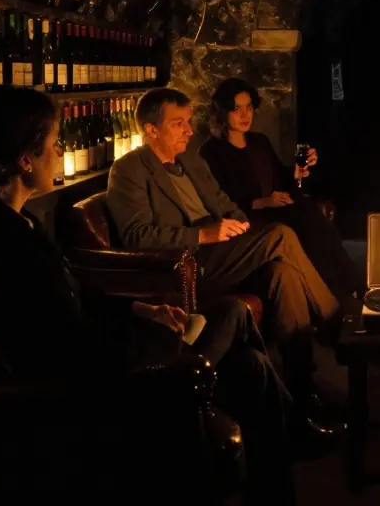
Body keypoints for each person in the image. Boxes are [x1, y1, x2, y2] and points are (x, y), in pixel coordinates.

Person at [0, 86, 338, 504]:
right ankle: (288, 435)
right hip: (100, 392)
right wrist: (155, 336)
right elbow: (74, 346)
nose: (59, 152)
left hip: (96, 362)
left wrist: (138, 307)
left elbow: (71, 300)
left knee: (246, 346)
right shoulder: (4, 243)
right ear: (25, 158)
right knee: (238, 325)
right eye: (54, 143)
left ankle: (288, 430)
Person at [106, 87, 341, 412]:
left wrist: (238, 226)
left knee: (283, 274)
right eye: (178, 123)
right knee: (281, 235)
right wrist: (203, 234)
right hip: (190, 262)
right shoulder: (129, 170)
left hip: (224, 250)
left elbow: (226, 204)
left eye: (189, 122)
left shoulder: (191, 159)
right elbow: (137, 235)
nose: (189, 130)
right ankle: (338, 326)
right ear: (151, 129)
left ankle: (302, 393)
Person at [199, 78, 364, 300]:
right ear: (222, 112)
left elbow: (281, 179)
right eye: (236, 108)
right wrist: (263, 202)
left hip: (277, 208)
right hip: (249, 218)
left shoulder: (259, 142)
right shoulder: (212, 152)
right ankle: (342, 289)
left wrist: (298, 171)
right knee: (306, 219)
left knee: (312, 214)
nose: (245, 115)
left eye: (249, 107)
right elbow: (219, 201)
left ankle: (348, 284)